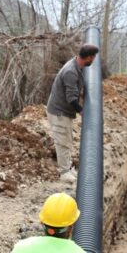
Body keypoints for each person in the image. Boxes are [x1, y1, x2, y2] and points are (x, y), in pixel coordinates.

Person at [47, 44, 99, 181]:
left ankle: (68, 168)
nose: (93, 61)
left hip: (63, 111)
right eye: (93, 58)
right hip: (59, 112)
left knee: (67, 140)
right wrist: (82, 111)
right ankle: (64, 172)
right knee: (63, 141)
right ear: (88, 58)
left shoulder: (76, 66)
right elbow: (71, 98)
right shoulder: (71, 72)